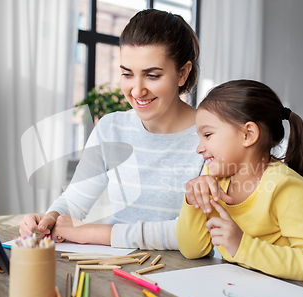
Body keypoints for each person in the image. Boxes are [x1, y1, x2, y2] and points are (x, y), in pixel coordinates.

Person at [19, 9, 203, 249]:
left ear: (182, 73)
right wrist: (49, 219)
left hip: (180, 274)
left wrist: (91, 232)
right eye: (127, 74)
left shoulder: (211, 137)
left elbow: (194, 233)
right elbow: (74, 202)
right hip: (114, 265)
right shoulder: (112, 127)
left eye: (152, 76)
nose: (137, 91)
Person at [176, 79, 303, 285]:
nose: (199, 148)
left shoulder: (285, 187)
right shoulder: (216, 179)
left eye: (207, 135)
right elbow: (192, 251)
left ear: (248, 134)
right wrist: (192, 202)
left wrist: (242, 245)